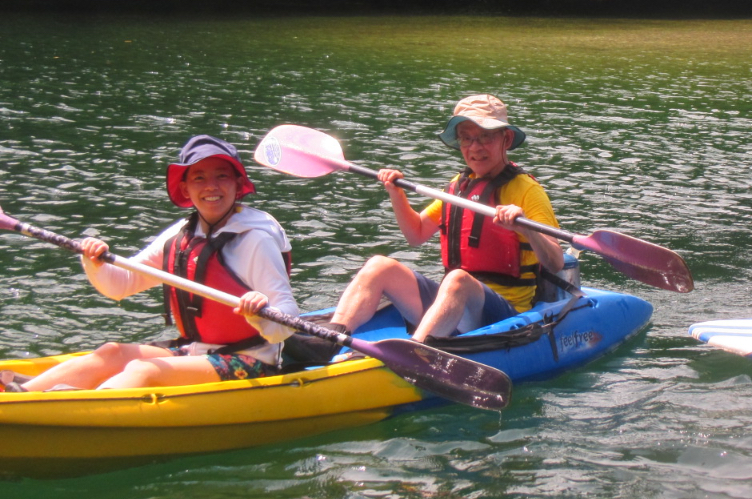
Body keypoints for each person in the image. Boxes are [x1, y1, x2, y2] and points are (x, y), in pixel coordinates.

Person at [5, 135, 298, 392]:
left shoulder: (256, 238)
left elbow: (286, 323)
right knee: (113, 353)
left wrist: (261, 313)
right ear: (185, 189)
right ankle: (21, 393)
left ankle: (73, 408)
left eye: (221, 176)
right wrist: (94, 261)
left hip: (254, 358)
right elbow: (121, 285)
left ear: (237, 183)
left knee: (144, 370)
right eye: (199, 177)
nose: (211, 186)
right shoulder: (182, 234)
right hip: (196, 351)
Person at [324, 94, 564, 345]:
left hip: (503, 314)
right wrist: (396, 192)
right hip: (454, 302)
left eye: (486, 136)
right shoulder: (459, 187)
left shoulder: (527, 190)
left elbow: (556, 262)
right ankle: (330, 339)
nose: (475, 147)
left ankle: (414, 352)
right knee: (378, 265)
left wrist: (526, 227)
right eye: (466, 138)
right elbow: (415, 234)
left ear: (506, 139)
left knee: (457, 278)